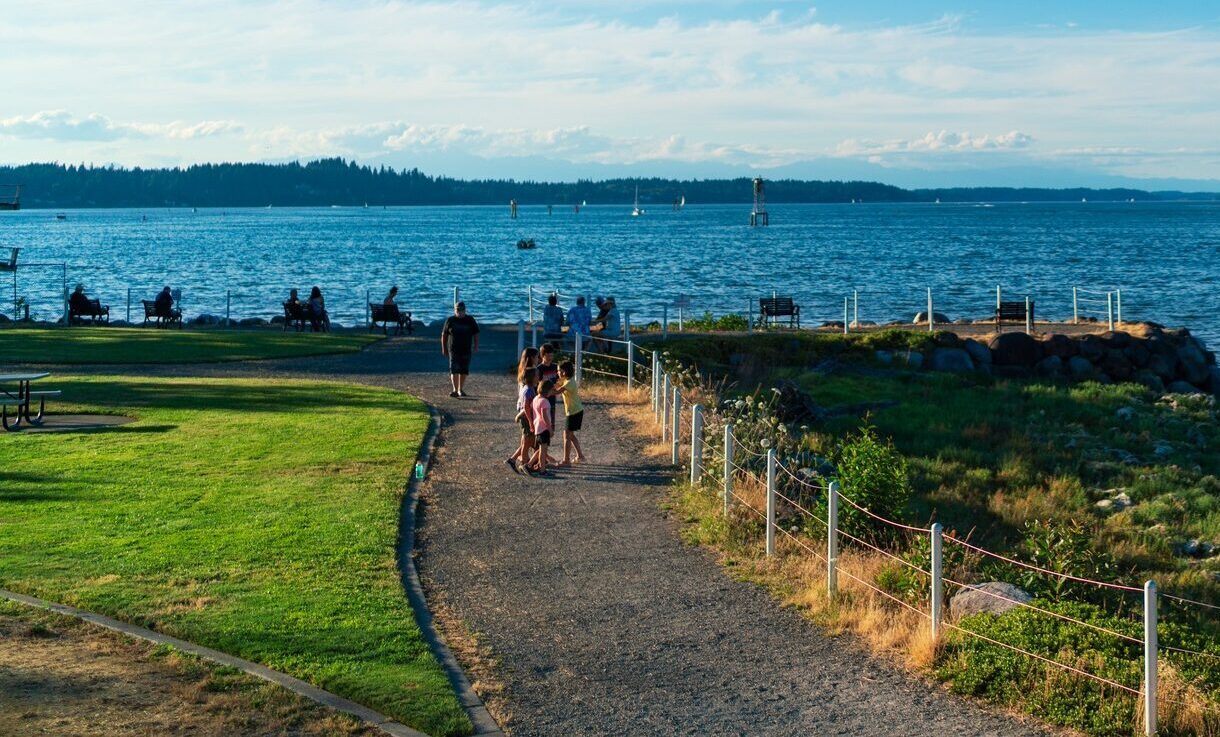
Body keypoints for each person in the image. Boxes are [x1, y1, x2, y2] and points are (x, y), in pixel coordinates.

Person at [441, 301, 480, 397]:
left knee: (464, 370)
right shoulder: (450, 320)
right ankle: (454, 389)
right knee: (453, 369)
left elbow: (476, 333)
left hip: (466, 348)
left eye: (461, 310)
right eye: (457, 310)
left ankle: (460, 389)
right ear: (455, 310)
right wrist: (444, 348)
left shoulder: (470, 320)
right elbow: (444, 335)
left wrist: (476, 346)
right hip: (453, 349)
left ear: (465, 310)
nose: (459, 312)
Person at [508, 365, 538, 474]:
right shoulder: (528, 390)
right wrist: (531, 422)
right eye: (537, 375)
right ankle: (524, 464)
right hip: (526, 419)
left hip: (526, 418)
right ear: (532, 377)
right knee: (527, 442)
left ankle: (513, 460)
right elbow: (526, 407)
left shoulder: (528, 388)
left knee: (527, 441)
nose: (538, 377)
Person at [556, 360, 585, 466]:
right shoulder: (566, 380)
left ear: (564, 371)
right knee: (570, 435)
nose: (558, 373)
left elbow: (557, 391)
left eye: (559, 371)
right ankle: (580, 456)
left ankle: (566, 460)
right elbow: (557, 386)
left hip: (574, 412)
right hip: (575, 411)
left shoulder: (569, 383)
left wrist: (544, 392)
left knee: (566, 435)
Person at [529, 379, 557, 475]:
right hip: (544, 429)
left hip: (537, 428)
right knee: (543, 451)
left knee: (540, 449)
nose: (552, 392)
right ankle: (542, 470)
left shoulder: (536, 398)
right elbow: (544, 416)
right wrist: (550, 429)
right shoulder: (545, 401)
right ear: (547, 391)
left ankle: (529, 465)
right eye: (551, 391)